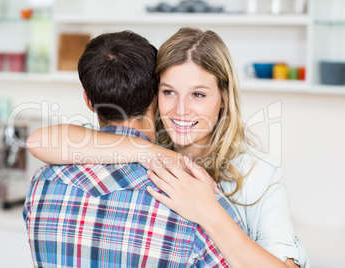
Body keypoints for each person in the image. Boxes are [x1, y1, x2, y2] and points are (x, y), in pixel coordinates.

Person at [27, 28, 309, 267]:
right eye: (169, 92)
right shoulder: (134, 148)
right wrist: (154, 152)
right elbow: (40, 141)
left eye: (198, 94)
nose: (181, 110)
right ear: (153, 94)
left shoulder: (258, 173)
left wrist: (208, 212)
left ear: (223, 97)